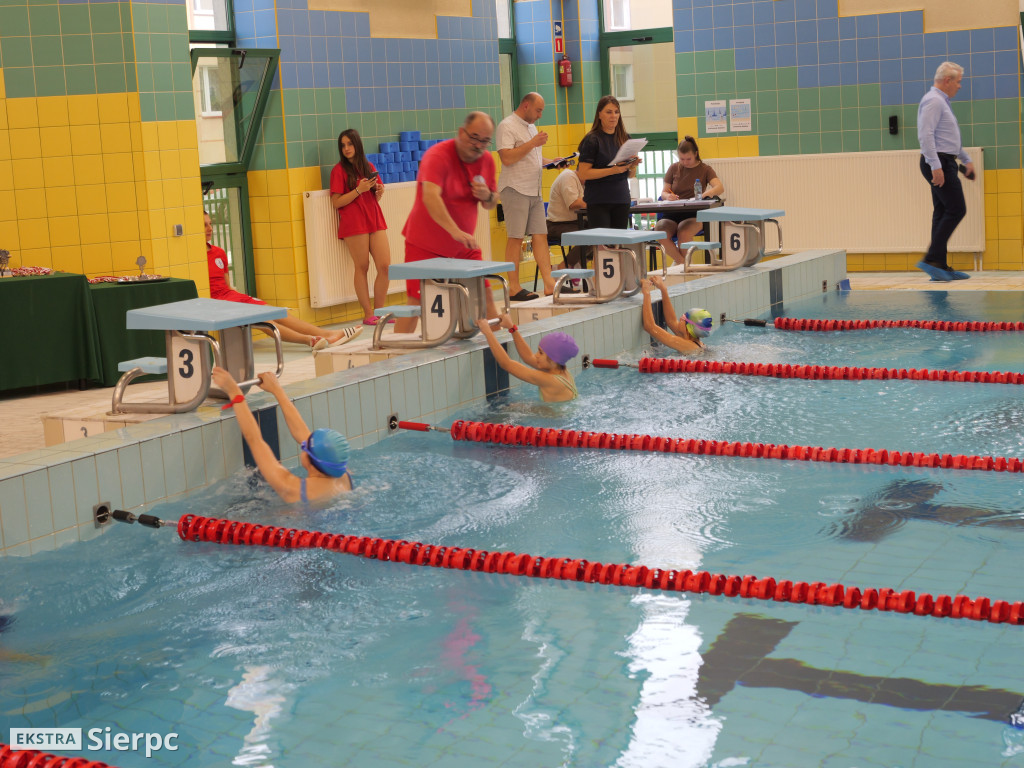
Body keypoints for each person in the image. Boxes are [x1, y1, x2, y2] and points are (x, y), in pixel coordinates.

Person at [395, 112, 501, 334]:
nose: (478, 145)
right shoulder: (438, 155)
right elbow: (430, 196)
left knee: (485, 294)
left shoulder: (487, 160)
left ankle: (500, 345)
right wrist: (455, 231)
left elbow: (492, 203)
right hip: (425, 245)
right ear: (461, 133)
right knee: (417, 302)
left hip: (464, 248)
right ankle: (392, 358)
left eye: (484, 141)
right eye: (474, 137)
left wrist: (487, 195)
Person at [205, 212, 360, 350]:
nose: (209, 228)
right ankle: (309, 340)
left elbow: (228, 285)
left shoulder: (219, 252)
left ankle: (328, 334)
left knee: (275, 312)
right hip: (216, 302)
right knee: (262, 319)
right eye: (204, 225)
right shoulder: (197, 258)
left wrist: (243, 300)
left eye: (210, 224)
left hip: (230, 296)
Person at [211, 366, 353, 503]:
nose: (303, 443)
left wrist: (234, 392)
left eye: (305, 446)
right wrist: (276, 389)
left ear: (310, 460)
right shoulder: (343, 475)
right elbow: (302, 433)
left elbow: (255, 440)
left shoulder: (293, 488)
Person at [496, 92, 564, 300]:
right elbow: (507, 158)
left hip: (533, 190)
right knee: (515, 238)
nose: (540, 115)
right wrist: (533, 143)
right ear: (526, 105)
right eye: (538, 110)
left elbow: (532, 158)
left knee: (540, 236)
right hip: (515, 188)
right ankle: (514, 288)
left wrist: (551, 161)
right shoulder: (506, 126)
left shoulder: (531, 127)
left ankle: (549, 283)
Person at [917, 61, 974, 282]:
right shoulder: (933, 101)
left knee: (942, 212)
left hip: (944, 160)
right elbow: (926, 135)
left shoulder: (941, 101)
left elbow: (948, 137)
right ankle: (932, 259)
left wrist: (966, 160)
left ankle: (938, 266)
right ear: (948, 80)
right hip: (938, 161)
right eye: (958, 82)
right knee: (956, 209)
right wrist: (936, 165)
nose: (960, 86)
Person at [330, 129, 392, 325]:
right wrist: (358, 190)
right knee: (362, 266)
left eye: (350, 144)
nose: (347, 148)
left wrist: (379, 191)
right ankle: (368, 314)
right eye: (343, 145)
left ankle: (380, 311)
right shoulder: (338, 170)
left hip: (374, 219)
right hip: (354, 222)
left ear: (357, 144)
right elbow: (336, 202)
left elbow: (376, 197)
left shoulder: (369, 166)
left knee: (385, 267)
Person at [654, 136, 724, 265]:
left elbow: (719, 187)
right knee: (659, 232)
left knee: (684, 232)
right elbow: (664, 192)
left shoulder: (705, 169)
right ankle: (683, 264)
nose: (685, 162)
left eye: (688, 159)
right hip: (672, 212)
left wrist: (705, 194)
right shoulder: (674, 168)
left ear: (696, 154)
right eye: (682, 159)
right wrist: (668, 196)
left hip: (693, 214)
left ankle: (684, 266)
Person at [475, 315, 579, 402]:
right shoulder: (560, 370)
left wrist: (488, 332)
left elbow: (506, 364)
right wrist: (512, 328)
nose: (536, 355)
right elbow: (528, 357)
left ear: (553, 359)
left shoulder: (549, 380)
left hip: (555, 423)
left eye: (541, 353)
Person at [576, 95, 641, 230]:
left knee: (618, 244)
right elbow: (583, 173)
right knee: (604, 245)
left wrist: (632, 165)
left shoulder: (624, 138)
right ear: (600, 114)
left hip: (621, 198)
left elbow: (629, 175)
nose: (613, 116)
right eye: (609, 112)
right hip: (599, 200)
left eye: (616, 112)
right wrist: (613, 170)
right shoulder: (592, 140)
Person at [640, 276, 712, 354]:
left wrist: (646, 293)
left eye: (684, 318)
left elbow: (650, 327)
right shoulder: (691, 339)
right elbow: (671, 321)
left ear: (689, 329)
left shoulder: (689, 346)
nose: (680, 318)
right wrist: (663, 289)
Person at [545, 162, 587, 269]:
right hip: (556, 225)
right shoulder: (568, 176)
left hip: (574, 223)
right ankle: (565, 266)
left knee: (599, 231)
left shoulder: (584, 183)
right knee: (592, 236)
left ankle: (576, 264)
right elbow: (574, 203)